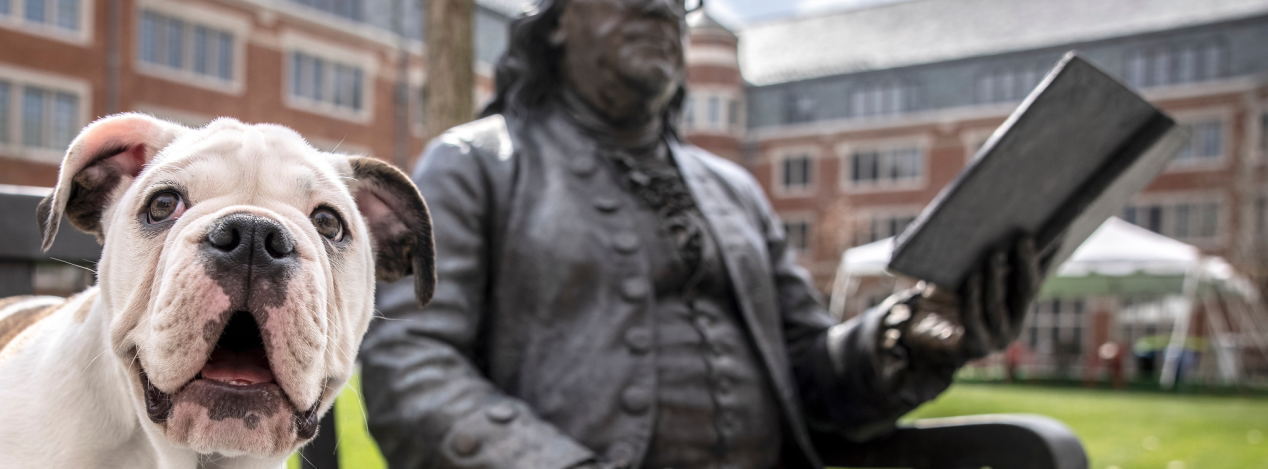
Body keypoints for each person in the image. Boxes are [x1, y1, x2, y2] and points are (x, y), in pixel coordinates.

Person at [358, 0, 1041, 466]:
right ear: (559, 20)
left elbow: (809, 370)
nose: (660, 8)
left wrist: (907, 337)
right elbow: (410, 363)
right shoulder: (477, 162)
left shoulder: (734, 188)